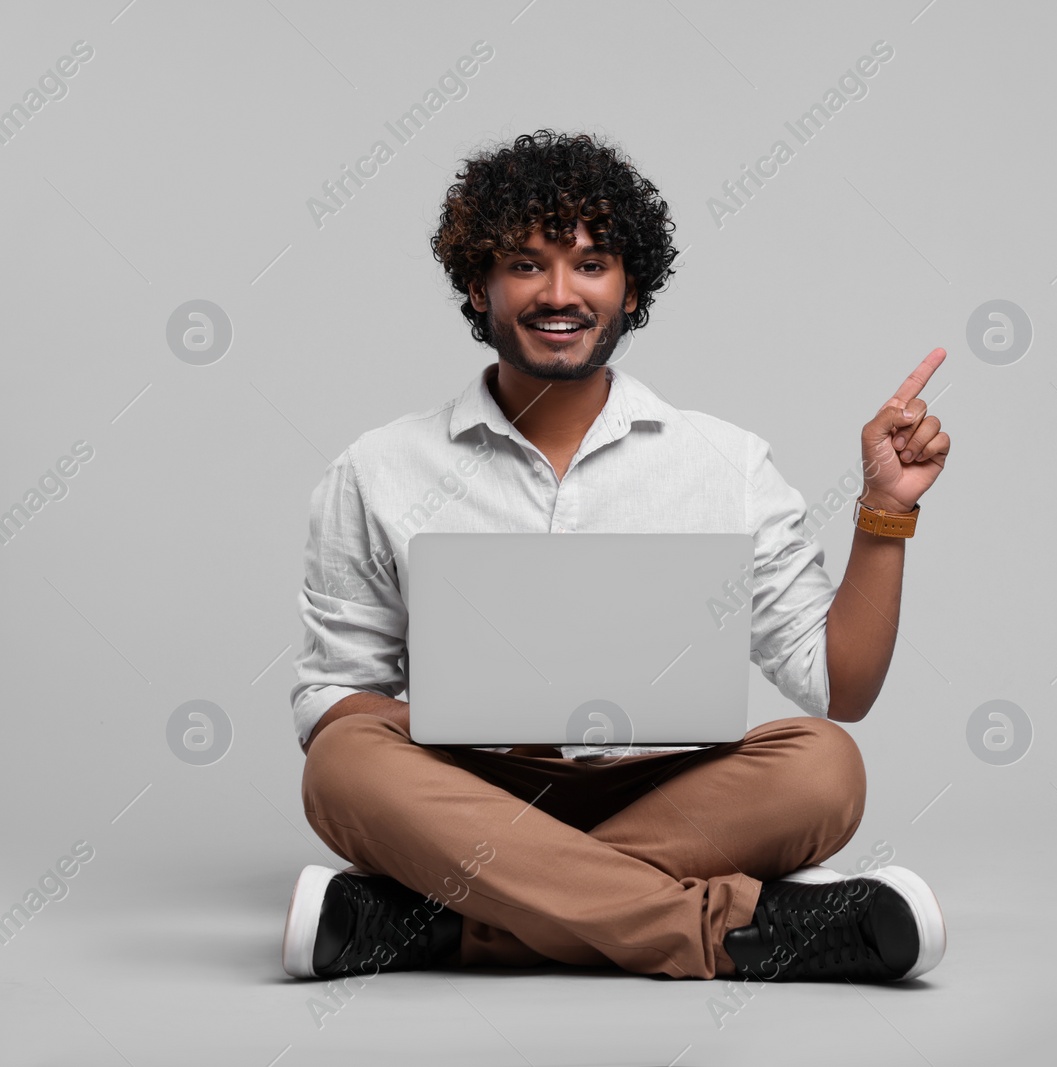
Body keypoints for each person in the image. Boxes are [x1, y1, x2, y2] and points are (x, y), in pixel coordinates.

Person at [281, 130, 953, 985]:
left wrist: (883, 515)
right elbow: (334, 692)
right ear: (478, 287)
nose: (559, 293)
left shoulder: (727, 462)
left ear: (631, 289)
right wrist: (464, 717)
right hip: (470, 788)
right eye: (525, 264)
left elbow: (840, 686)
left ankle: (448, 922)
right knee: (344, 764)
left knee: (824, 766)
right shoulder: (377, 469)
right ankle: (738, 932)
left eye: (591, 264)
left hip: (663, 789)